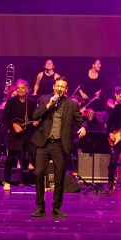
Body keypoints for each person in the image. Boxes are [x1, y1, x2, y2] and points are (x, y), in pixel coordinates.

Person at [31, 77, 86, 217]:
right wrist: (48, 105)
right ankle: (40, 206)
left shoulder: (71, 105)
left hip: (60, 145)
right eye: (58, 86)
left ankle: (56, 207)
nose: (59, 89)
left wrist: (84, 128)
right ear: (54, 87)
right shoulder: (44, 99)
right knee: (38, 173)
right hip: (44, 143)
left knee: (59, 177)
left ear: (66, 90)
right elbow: (35, 115)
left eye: (63, 87)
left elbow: (82, 121)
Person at [2, 79, 38, 190]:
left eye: (23, 88)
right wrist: (13, 124)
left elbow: (35, 118)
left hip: (28, 134)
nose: (20, 90)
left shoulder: (31, 102)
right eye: (18, 88)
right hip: (15, 134)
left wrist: (36, 122)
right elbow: (5, 118)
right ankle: (7, 181)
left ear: (27, 89)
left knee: (36, 155)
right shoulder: (11, 101)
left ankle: (40, 182)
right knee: (10, 157)